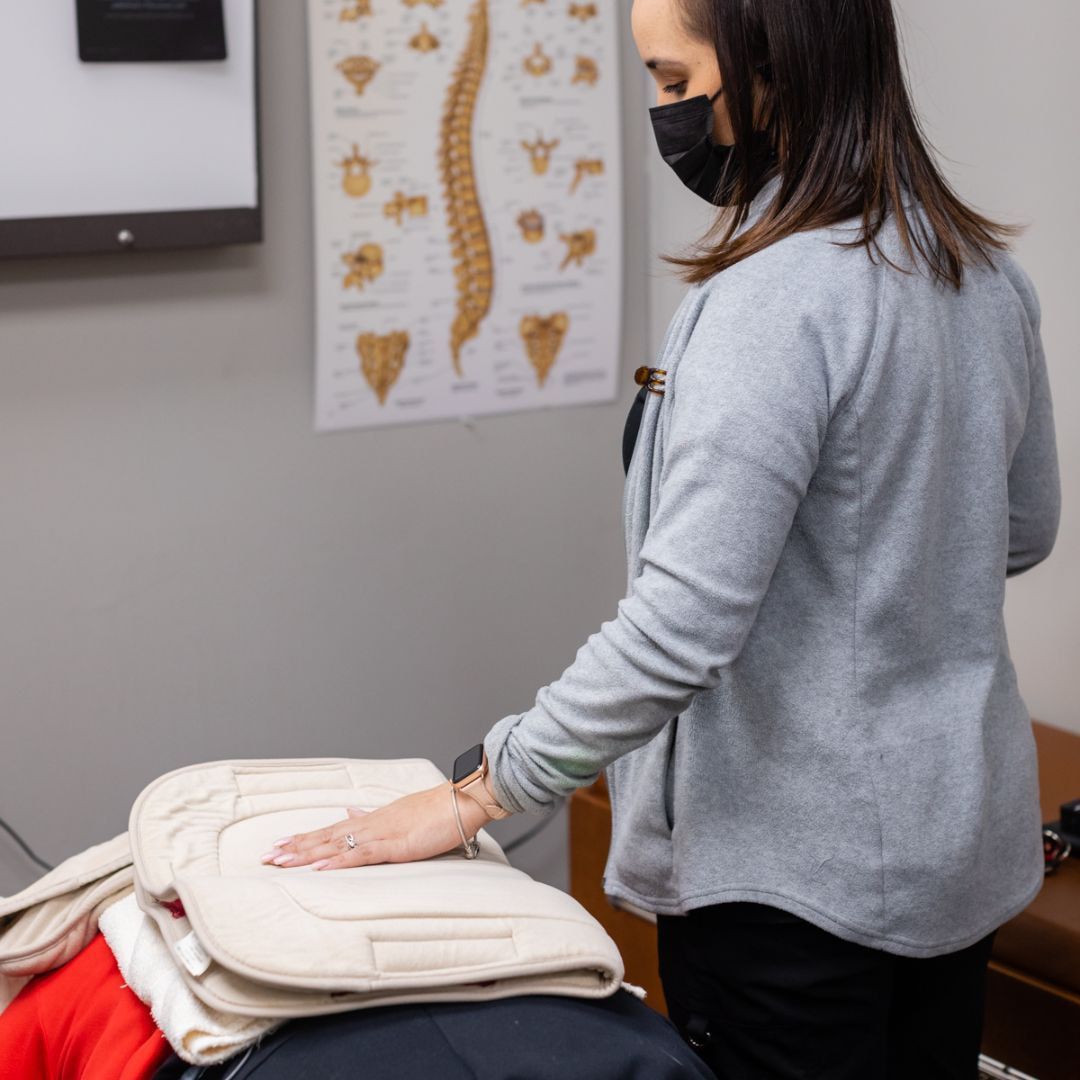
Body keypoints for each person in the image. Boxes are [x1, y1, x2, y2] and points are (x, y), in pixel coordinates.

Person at [267, 0, 1062, 1075]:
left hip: (792, 897)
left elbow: (679, 628)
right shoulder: (981, 274)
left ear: (772, 72)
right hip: (958, 854)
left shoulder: (771, 304)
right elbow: (1019, 531)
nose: (665, 113)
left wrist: (477, 794)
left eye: (679, 84)